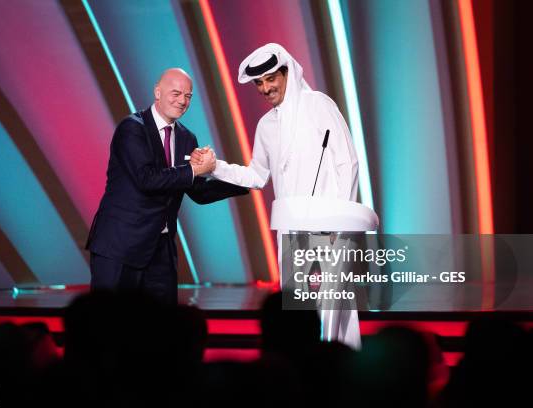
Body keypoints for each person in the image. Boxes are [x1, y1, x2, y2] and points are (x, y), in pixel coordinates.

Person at [192, 43, 361, 348]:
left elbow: (346, 163)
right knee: (299, 313)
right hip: (291, 232)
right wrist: (216, 166)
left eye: (271, 79)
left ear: (287, 72)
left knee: (333, 310)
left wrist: (340, 224)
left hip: (329, 227)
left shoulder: (319, 105)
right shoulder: (266, 126)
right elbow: (257, 176)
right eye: (259, 82)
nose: (266, 88)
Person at [86, 68, 248, 305]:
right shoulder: (132, 128)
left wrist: (246, 180)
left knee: (161, 330)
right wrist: (194, 170)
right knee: (111, 327)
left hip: (160, 249)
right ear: (157, 92)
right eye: (176, 93)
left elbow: (199, 191)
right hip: (119, 246)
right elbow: (147, 179)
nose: (182, 101)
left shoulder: (186, 137)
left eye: (188, 96)